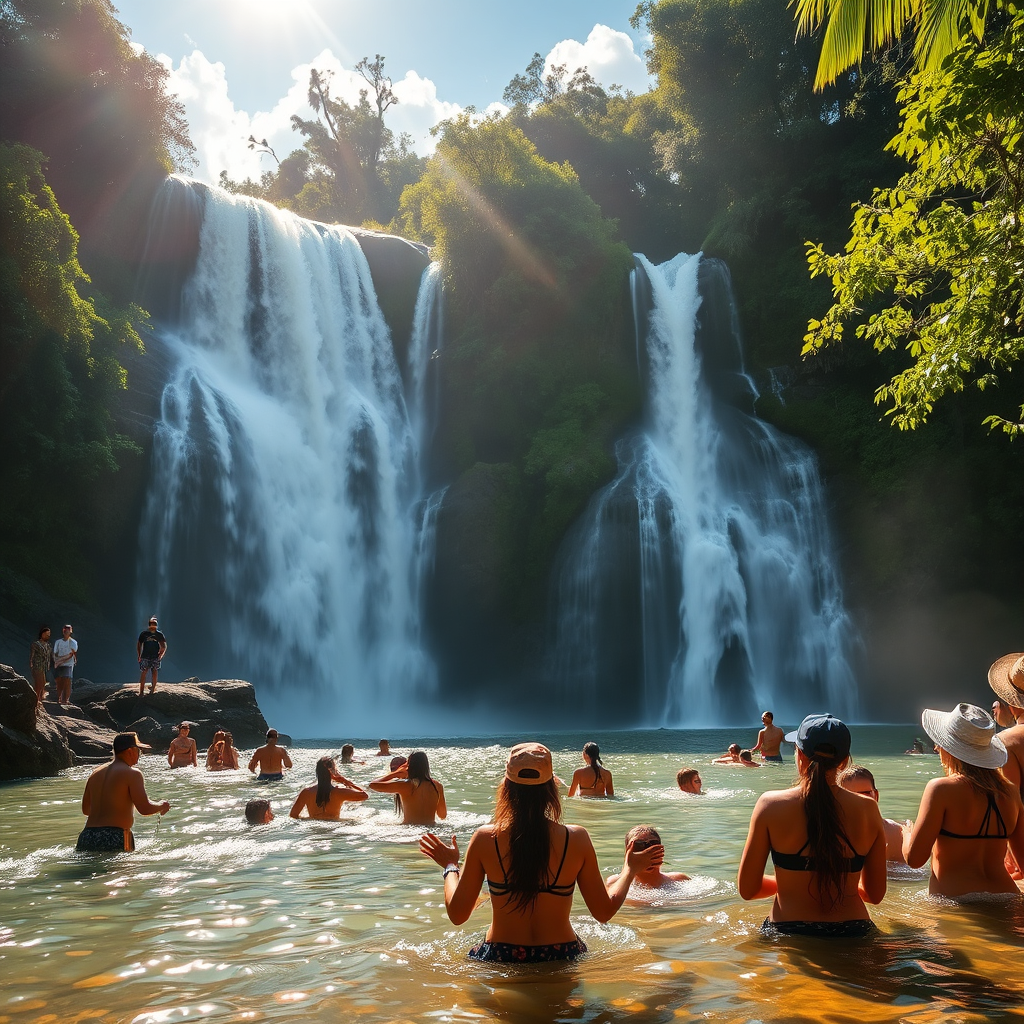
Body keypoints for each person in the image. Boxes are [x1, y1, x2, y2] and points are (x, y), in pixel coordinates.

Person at [419, 742, 665, 963]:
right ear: (551, 788)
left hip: (501, 955)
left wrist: (450, 866)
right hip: (562, 954)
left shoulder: (486, 838)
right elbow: (603, 912)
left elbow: (458, 915)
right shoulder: (576, 838)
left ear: (506, 788)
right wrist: (629, 869)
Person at [738, 713, 886, 937]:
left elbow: (748, 890)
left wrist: (790, 881)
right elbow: (875, 895)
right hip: (855, 931)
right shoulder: (868, 808)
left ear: (799, 755)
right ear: (844, 762)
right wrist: (834, 876)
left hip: (788, 930)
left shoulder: (770, 805)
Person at [902, 703, 1024, 897]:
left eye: (939, 743)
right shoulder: (1010, 792)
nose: (936, 748)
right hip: (1007, 896)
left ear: (950, 748)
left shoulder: (940, 789)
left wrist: (906, 834)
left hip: (956, 903)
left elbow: (914, 860)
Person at [77, 733, 170, 852]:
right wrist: (162, 805)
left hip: (87, 836)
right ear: (130, 751)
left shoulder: (95, 773)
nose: (140, 754)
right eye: (139, 750)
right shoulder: (133, 773)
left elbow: (86, 810)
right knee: (127, 865)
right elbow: (145, 809)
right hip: (117, 837)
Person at [838, 765, 907, 864]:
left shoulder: (895, 833)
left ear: (876, 796)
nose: (859, 801)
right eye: (851, 796)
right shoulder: (832, 835)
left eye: (865, 794)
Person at [370, 750, 447, 825]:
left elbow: (373, 785)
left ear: (409, 766)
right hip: (431, 828)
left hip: (409, 828)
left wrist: (395, 773)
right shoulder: (438, 786)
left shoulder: (405, 785)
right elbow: (442, 815)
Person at [607, 825, 690, 889]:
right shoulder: (614, 884)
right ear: (628, 853)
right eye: (639, 845)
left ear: (661, 850)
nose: (647, 852)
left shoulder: (680, 880)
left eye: (653, 844)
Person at [289, 756, 369, 819]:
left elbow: (293, 815)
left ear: (317, 772)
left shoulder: (306, 792)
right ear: (334, 772)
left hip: (314, 831)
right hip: (333, 829)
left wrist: (310, 819)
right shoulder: (339, 792)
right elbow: (364, 795)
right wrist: (345, 781)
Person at [137, 617, 167, 696]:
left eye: (155, 624)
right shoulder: (144, 634)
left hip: (154, 656)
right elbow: (139, 644)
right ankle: (142, 691)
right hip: (146, 656)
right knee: (146, 671)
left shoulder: (159, 634)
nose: (153, 626)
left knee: (153, 671)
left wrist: (161, 654)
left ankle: (152, 689)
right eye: (152, 624)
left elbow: (164, 646)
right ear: (149, 625)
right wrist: (139, 655)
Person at [52, 623, 77, 706]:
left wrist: (59, 661)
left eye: (68, 630)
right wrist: (56, 661)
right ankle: (59, 698)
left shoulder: (73, 642)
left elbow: (71, 654)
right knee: (59, 681)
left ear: (70, 632)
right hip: (59, 664)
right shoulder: (58, 642)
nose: (66, 632)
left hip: (68, 664)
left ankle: (66, 700)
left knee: (67, 680)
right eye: (65, 630)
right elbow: (55, 653)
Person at [29, 625, 53, 706]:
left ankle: (38, 698)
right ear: (42, 634)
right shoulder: (36, 644)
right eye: (46, 634)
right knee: (41, 682)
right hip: (37, 665)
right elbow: (32, 655)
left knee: (41, 683)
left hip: (44, 667)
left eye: (49, 634)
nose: (48, 636)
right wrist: (31, 663)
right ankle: (37, 698)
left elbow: (49, 656)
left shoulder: (48, 645)